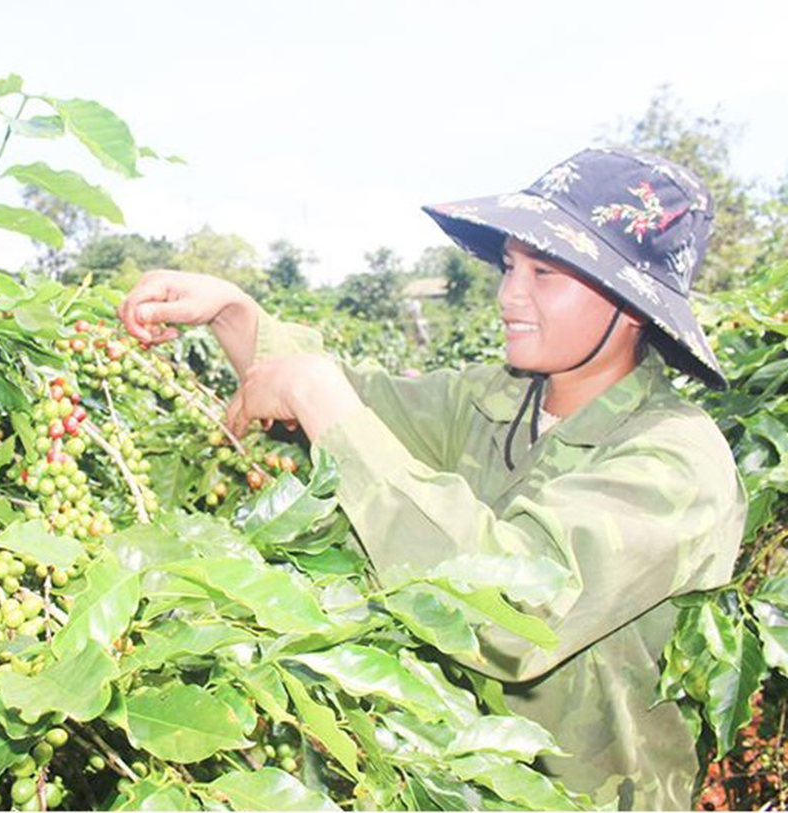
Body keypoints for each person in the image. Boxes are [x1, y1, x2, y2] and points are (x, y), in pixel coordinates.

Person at [118, 148, 746, 810]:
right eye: (509, 267)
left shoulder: (676, 462)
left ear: (633, 305)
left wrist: (320, 395)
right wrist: (235, 316)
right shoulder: (494, 399)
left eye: (546, 273)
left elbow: (516, 611)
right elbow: (355, 408)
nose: (510, 295)